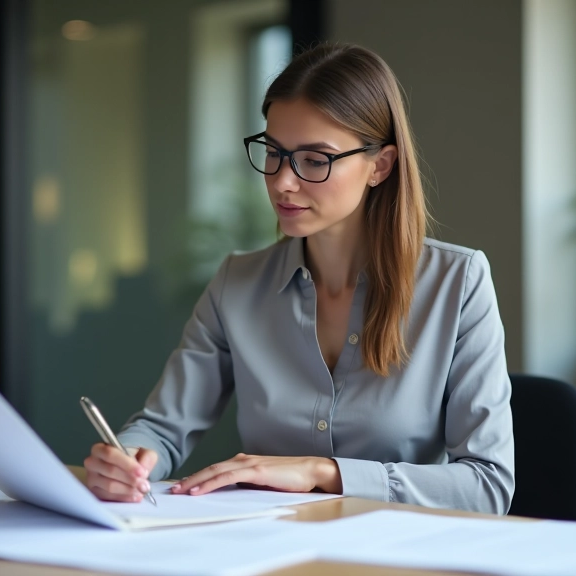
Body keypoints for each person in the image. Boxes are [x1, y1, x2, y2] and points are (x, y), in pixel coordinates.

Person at [83, 43, 514, 514]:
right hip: (271, 549)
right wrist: (130, 457)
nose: (282, 181)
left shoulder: (458, 283)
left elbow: (487, 485)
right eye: (274, 152)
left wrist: (319, 472)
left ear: (380, 166)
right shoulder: (237, 284)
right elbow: (164, 428)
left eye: (314, 159)